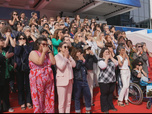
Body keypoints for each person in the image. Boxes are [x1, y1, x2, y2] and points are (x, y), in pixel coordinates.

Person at [29, 37, 55, 113]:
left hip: (48, 78)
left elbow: (53, 62)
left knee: (49, 96)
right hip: (37, 79)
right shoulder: (33, 52)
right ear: (38, 44)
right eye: (43, 44)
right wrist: (43, 52)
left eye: (46, 44)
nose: (45, 46)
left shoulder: (47, 53)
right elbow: (39, 62)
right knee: (38, 98)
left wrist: (49, 52)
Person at [55, 42, 76, 113]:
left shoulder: (68, 56)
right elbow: (61, 67)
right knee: (62, 102)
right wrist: (65, 58)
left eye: (67, 47)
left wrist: (69, 57)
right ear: (60, 48)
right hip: (62, 81)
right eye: (65, 47)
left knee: (68, 101)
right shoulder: (57, 56)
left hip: (70, 80)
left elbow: (74, 65)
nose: (66, 49)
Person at [14, 33, 33, 110]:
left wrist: (25, 46)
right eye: (20, 39)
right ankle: (22, 102)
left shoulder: (29, 46)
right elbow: (17, 53)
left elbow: (29, 53)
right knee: (20, 86)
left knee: (28, 86)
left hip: (27, 68)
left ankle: (28, 101)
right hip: (19, 68)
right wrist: (20, 46)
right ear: (18, 40)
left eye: (23, 38)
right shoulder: (16, 47)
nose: (22, 40)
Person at [98, 47, 118, 113]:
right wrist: (106, 58)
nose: (107, 53)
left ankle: (111, 106)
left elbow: (116, 64)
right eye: (106, 52)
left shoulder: (111, 60)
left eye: (108, 52)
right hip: (103, 81)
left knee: (110, 94)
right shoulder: (100, 60)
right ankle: (104, 109)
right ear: (102, 53)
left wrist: (111, 57)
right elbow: (103, 66)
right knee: (104, 95)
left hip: (112, 80)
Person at [72, 48, 91, 113]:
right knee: (77, 97)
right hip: (77, 81)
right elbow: (77, 67)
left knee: (88, 95)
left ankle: (88, 110)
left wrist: (83, 60)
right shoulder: (74, 61)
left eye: (80, 52)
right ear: (75, 53)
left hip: (84, 80)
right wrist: (80, 60)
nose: (79, 53)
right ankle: (78, 111)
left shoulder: (83, 60)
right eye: (78, 52)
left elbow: (88, 66)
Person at [0, 37, 14, 112]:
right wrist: (5, 57)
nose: (3, 41)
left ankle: (7, 107)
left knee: (5, 92)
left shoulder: (4, 51)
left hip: (6, 74)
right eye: (1, 40)